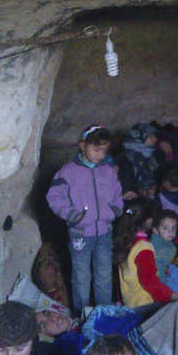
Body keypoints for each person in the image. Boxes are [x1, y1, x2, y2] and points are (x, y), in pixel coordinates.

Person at [47, 124, 123, 314]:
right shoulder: (68, 171)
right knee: (81, 276)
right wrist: (72, 215)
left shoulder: (109, 170)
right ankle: (82, 314)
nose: (100, 154)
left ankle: (104, 313)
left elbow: (117, 195)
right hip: (80, 233)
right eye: (96, 149)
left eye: (104, 150)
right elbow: (54, 197)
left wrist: (114, 210)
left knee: (104, 275)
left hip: (104, 232)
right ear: (82, 145)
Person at [114, 199, 178, 308]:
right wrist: (174, 296)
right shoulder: (143, 248)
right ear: (149, 221)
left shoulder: (126, 239)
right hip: (144, 303)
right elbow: (151, 283)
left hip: (130, 301)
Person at [115, 123, 159, 200]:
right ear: (140, 138)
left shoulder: (151, 155)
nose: (155, 139)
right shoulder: (126, 158)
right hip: (132, 199)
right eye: (151, 137)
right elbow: (125, 183)